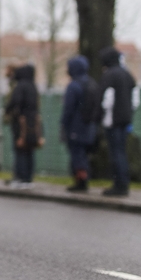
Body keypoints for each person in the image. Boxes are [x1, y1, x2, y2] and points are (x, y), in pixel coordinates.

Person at [99, 47, 138, 197]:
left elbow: (107, 100)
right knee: (121, 151)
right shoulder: (127, 74)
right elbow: (135, 99)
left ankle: (119, 185)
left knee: (116, 152)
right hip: (125, 119)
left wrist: (104, 118)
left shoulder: (109, 75)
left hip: (113, 120)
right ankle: (123, 183)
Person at [60, 56, 98, 192]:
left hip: (76, 127)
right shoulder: (92, 83)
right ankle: (83, 180)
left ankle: (81, 182)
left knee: (77, 155)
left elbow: (68, 109)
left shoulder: (74, 85)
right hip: (90, 127)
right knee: (83, 155)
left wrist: (64, 124)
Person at [5, 64, 42, 189]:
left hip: (21, 123)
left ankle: (20, 178)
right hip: (33, 121)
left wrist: (8, 111)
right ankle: (28, 178)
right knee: (30, 149)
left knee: (20, 149)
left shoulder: (20, 86)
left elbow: (15, 102)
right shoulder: (33, 86)